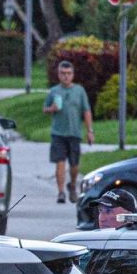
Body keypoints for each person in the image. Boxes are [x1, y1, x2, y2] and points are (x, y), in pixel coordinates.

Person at [43, 60, 94, 203]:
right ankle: (60, 193)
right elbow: (45, 109)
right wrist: (51, 109)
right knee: (60, 162)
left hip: (74, 133)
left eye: (68, 73)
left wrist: (90, 131)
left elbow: (86, 111)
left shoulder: (79, 91)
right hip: (58, 133)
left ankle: (72, 185)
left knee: (74, 165)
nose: (66, 76)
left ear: (73, 75)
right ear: (58, 75)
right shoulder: (54, 91)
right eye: (63, 74)